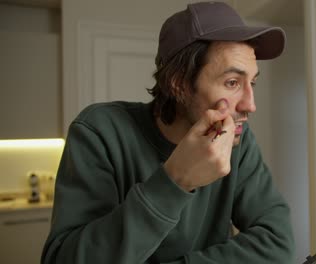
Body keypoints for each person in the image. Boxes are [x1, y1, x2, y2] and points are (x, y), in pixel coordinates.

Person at [41, 1, 295, 263]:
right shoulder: (100, 132)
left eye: (251, 82)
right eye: (232, 83)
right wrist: (175, 181)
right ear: (179, 84)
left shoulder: (238, 142)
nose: (250, 105)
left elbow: (277, 242)